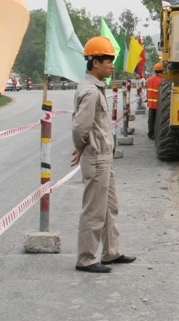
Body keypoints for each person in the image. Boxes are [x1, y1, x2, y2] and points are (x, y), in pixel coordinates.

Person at [71, 36, 136, 273]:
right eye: (107, 60)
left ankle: (111, 252)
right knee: (94, 211)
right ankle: (86, 258)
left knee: (109, 207)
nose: (111, 65)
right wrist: (81, 148)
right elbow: (80, 127)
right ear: (94, 62)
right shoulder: (90, 91)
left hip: (103, 157)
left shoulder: (97, 88)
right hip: (96, 157)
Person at [146, 63, 164, 140]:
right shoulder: (162, 81)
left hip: (150, 104)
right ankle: (156, 135)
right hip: (158, 104)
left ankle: (150, 134)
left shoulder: (149, 80)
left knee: (151, 120)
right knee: (157, 120)